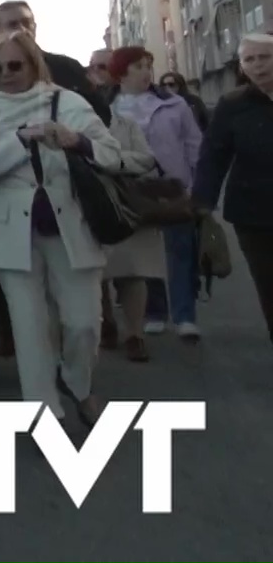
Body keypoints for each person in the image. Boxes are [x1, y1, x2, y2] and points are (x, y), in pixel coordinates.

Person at [0, 31, 123, 424]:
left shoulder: (64, 100)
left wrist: (75, 141)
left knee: (83, 322)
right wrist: (22, 139)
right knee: (29, 327)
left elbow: (111, 155)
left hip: (70, 221)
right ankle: (42, 414)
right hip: (9, 229)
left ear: (33, 64)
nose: (5, 74)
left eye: (15, 65)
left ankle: (76, 380)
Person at [104, 46, 199, 353]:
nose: (146, 72)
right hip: (132, 193)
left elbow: (194, 143)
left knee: (181, 251)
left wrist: (196, 185)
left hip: (173, 187)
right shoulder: (108, 108)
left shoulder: (175, 104)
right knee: (146, 257)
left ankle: (185, 316)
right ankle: (155, 311)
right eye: (138, 67)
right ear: (120, 74)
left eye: (148, 65)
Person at [193, 33, 273, 342]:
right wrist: (202, 202)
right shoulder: (233, 104)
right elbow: (214, 154)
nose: (256, 66)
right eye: (249, 59)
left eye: (263, 57)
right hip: (253, 215)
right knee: (269, 286)